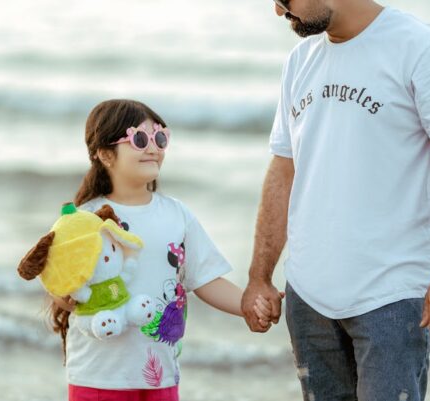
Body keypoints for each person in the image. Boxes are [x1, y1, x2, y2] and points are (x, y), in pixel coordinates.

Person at [242, 1, 430, 400]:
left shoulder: (419, 48)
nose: (279, 10)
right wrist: (259, 276)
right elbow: (283, 172)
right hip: (308, 297)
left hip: (391, 296)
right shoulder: (300, 60)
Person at [25, 99, 271, 401]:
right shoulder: (84, 220)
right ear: (104, 154)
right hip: (99, 375)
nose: (153, 148)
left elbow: (205, 278)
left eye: (160, 137)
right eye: (139, 139)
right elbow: (60, 284)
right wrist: (65, 297)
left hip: (159, 373)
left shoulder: (176, 215)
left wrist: (249, 305)